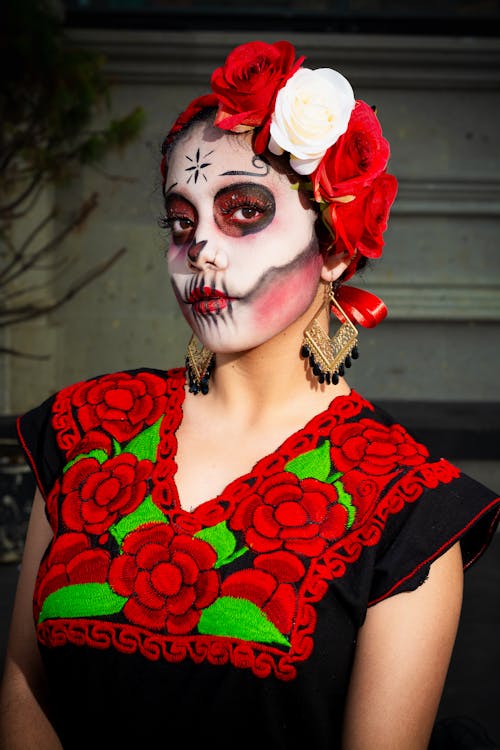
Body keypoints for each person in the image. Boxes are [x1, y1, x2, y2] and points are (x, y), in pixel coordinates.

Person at [0, 39, 499, 750]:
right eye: (181, 221)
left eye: (242, 211)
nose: (201, 247)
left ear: (335, 247)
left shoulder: (407, 509)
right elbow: (23, 686)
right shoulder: (83, 429)